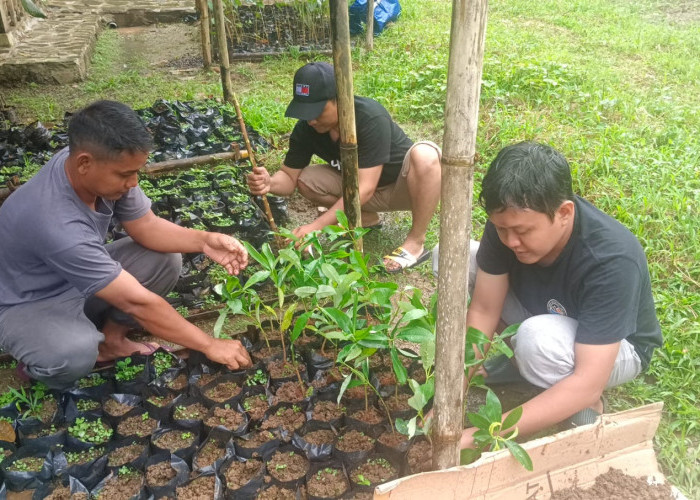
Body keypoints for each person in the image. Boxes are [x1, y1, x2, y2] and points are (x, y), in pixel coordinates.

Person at [0, 100, 252, 390]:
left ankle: (112, 341)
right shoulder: (53, 220)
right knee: (73, 354)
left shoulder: (92, 166)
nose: (133, 183)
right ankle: (41, 359)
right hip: (27, 301)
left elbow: (146, 226)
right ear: (84, 162)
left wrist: (205, 241)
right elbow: (137, 302)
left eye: (136, 172)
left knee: (165, 259)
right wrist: (209, 343)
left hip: (74, 279)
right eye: (125, 174)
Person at [431, 142, 662, 448]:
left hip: (615, 346)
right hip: (545, 312)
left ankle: (584, 405)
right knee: (450, 260)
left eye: (523, 232)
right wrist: (452, 393)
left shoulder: (612, 260)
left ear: (564, 212)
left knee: (537, 342)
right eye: (501, 229)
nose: (511, 241)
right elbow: (485, 310)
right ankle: (524, 365)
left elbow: (587, 381)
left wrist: (483, 435)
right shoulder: (509, 224)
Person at [247, 61, 442, 273]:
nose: (311, 120)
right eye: (305, 111)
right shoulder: (307, 128)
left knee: (425, 155)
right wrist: (269, 182)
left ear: (339, 99)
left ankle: (415, 242)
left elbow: (364, 188)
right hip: (359, 191)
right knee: (307, 180)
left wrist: (315, 227)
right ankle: (365, 218)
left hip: (403, 188)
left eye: (317, 110)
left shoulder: (370, 117)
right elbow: (289, 177)